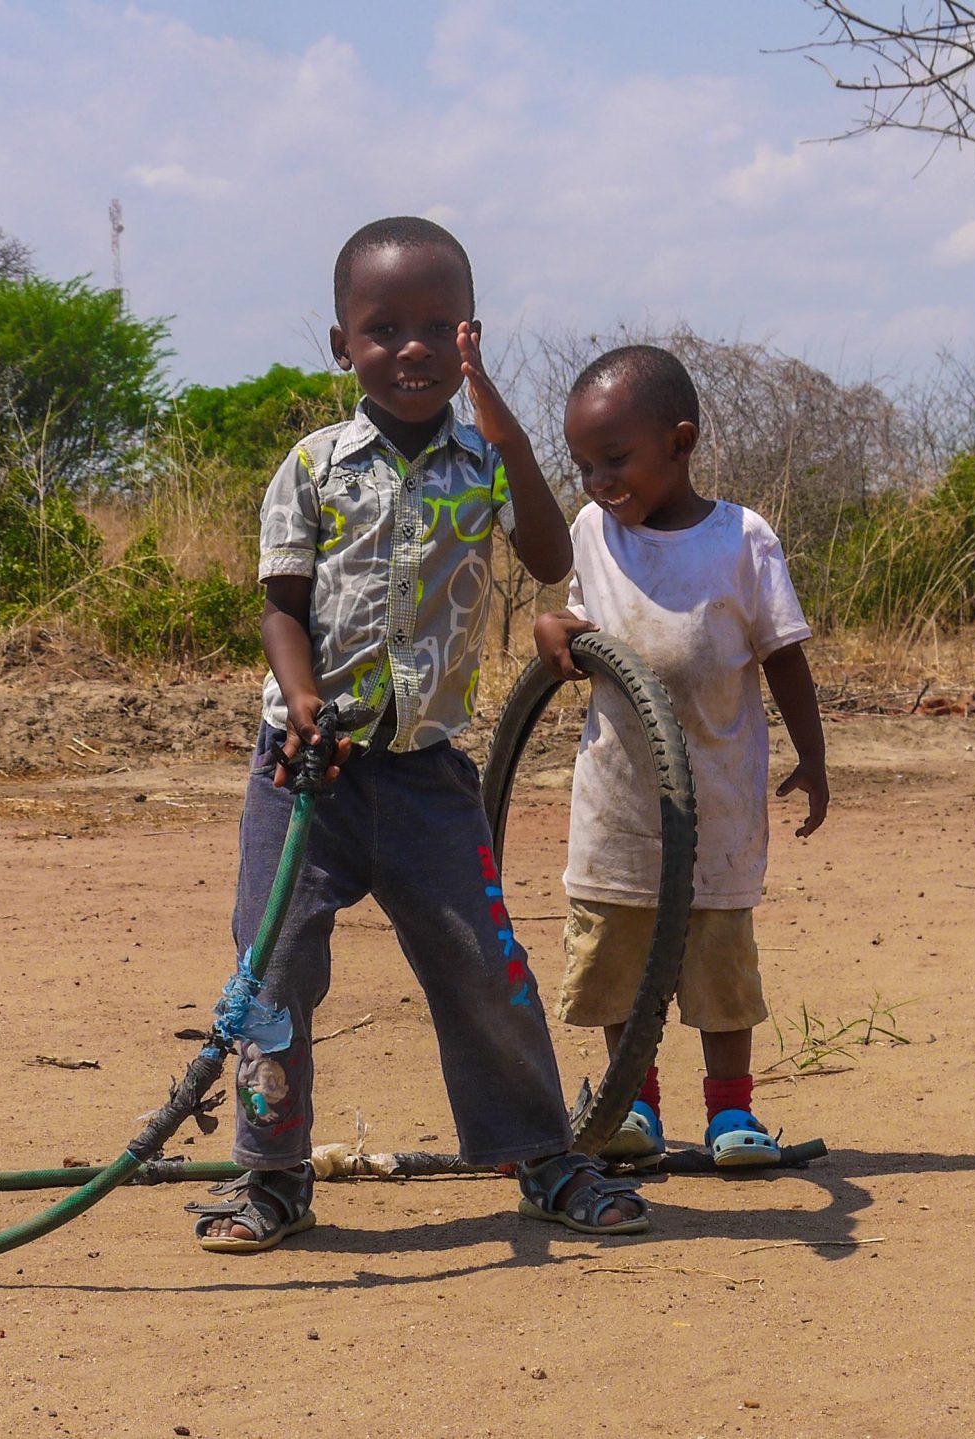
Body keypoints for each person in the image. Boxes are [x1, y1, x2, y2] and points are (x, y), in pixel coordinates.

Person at [190, 217, 650, 1253]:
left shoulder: (482, 464)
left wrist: (512, 433)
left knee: (485, 965)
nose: (411, 348)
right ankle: (270, 1176)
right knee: (273, 973)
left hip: (426, 776)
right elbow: (279, 602)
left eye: (437, 327)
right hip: (305, 771)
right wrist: (299, 696)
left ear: (470, 340)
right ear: (340, 345)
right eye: (383, 327)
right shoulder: (311, 466)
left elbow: (542, 551)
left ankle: (541, 1154)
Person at [532, 344, 830, 1169]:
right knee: (617, 952)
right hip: (619, 801)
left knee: (717, 956)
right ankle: (634, 1107)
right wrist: (550, 629)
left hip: (717, 798)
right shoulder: (594, 533)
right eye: (584, 464)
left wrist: (813, 755)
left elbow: (784, 656)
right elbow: (574, 625)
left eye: (617, 459)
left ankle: (731, 1114)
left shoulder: (742, 538)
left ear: (681, 441)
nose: (599, 481)